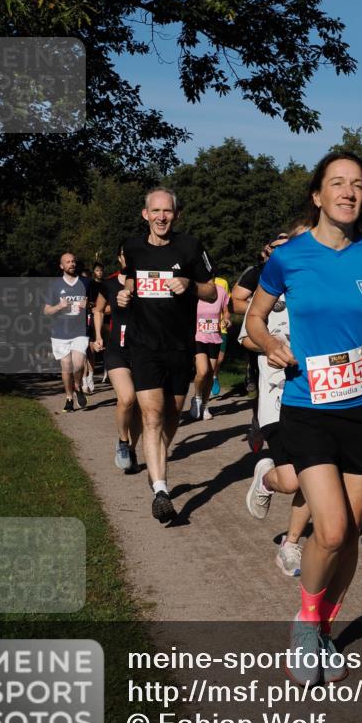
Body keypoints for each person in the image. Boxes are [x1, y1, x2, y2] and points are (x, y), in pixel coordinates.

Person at [247, 152, 362, 686]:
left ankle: (323, 629)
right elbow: (252, 317)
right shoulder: (289, 257)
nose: (348, 192)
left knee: (350, 536)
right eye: (337, 184)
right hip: (307, 406)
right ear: (317, 195)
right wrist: (272, 343)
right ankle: (304, 625)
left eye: (358, 186)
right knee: (334, 527)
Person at [118, 188, 216, 523]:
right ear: (145, 214)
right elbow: (129, 279)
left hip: (180, 345)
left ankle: (155, 455)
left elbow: (212, 289)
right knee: (152, 416)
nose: (161, 217)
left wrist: (189, 284)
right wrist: (126, 294)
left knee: (171, 416)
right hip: (144, 344)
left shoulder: (190, 246)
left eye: (168, 211)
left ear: (176, 214)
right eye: (155, 211)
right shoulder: (132, 246)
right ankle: (161, 488)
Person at [242, 223, 312, 577]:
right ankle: (267, 478)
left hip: (319, 396)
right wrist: (272, 346)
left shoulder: (321, 286)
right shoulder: (268, 289)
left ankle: (291, 543)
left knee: (315, 474)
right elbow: (246, 338)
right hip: (277, 396)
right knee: (293, 481)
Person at [233, 233, 289, 451]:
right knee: (260, 387)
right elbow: (234, 301)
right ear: (267, 249)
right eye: (278, 247)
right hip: (262, 337)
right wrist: (261, 305)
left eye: (288, 247)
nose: (283, 252)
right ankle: (259, 420)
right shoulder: (256, 272)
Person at [92, 245, 141, 472]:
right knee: (127, 398)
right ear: (120, 256)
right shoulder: (109, 284)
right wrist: (98, 335)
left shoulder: (148, 284)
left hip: (144, 351)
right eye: (126, 254)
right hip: (117, 350)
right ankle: (122, 441)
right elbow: (98, 310)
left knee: (141, 408)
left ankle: (132, 449)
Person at [43, 252, 91, 413]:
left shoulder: (85, 282)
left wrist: (88, 305)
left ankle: (78, 386)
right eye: (68, 262)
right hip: (59, 332)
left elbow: (98, 304)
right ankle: (69, 398)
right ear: (61, 266)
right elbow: (46, 310)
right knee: (66, 365)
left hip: (80, 331)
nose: (72, 264)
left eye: (73, 261)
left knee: (78, 365)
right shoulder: (55, 285)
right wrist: (59, 307)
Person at [190, 279, 231, 421]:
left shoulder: (221, 291)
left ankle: (205, 406)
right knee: (202, 371)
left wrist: (226, 320)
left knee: (210, 375)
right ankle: (197, 398)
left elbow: (226, 312)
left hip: (214, 337)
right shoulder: (195, 290)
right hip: (198, 336)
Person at [82, 261, 105, 395]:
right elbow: (87, 300)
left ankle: (90, 377)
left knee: (91, 350)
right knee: (83, 350)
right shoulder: (89, 284)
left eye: (101, 270)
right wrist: (91, 305)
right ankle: (84, 381)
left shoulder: (105, 284)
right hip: (87, 316)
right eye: (97, 270)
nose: (99, 272)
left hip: (98, 318)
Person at [211, 276, 231, 396]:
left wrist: (227, 319)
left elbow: (226, 307)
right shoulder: (196, 281)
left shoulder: (223, 282)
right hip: (203, 327)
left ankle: (214, 376)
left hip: (220, 326)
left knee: (220, 359)